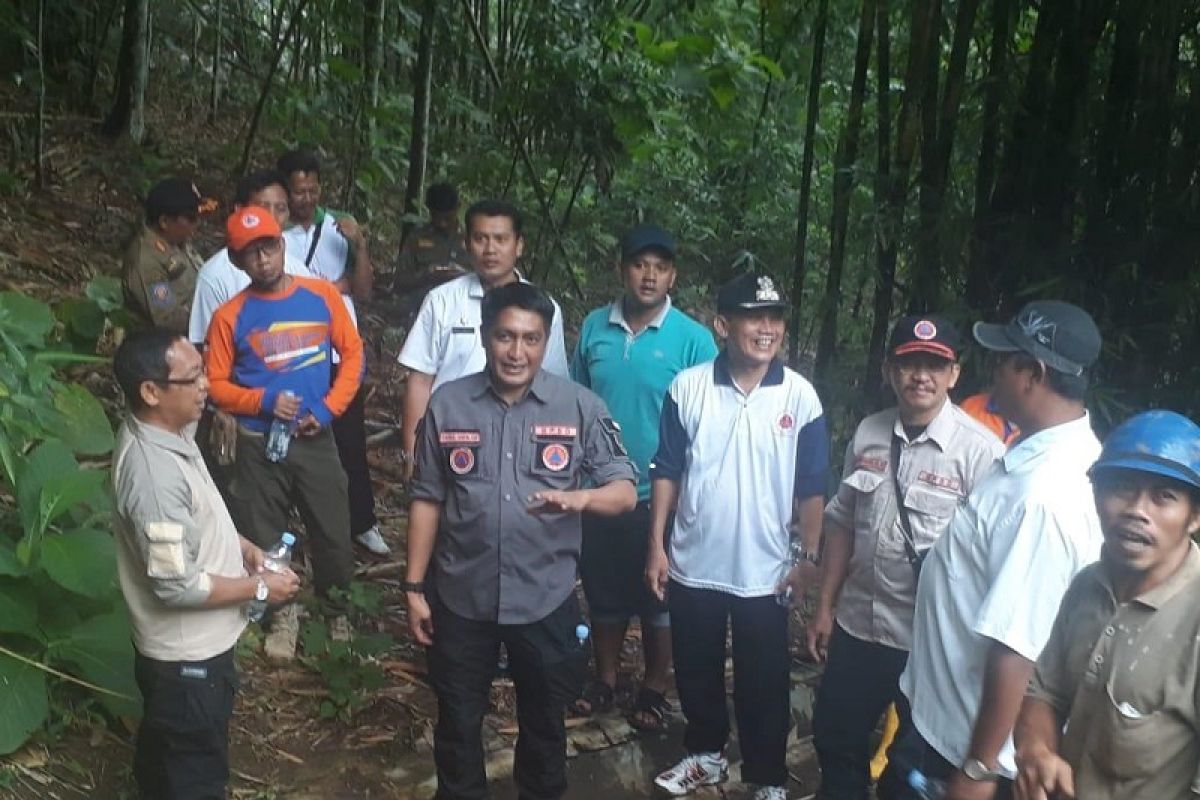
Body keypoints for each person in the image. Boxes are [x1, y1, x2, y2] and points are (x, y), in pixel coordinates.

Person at [404, 282, 637, 800]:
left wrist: (581, 500)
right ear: (486, 337)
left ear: (546, 340)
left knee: (545, 726)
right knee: (458, 726)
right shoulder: (449, 404)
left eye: (531, 339)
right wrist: (414, 586)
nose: (517, 351)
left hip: (545, 598)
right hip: (462, 596)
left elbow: (624, 491)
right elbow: (427, 497)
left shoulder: (579, 406)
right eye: (505, 336)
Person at [896, 300, 1104, 800]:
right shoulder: (1033, 457)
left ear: (1032, 373)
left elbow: (1020, 645)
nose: (992, 371)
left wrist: (979, 767)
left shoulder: (1046, 496)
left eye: (1004, 359)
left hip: (969, 749)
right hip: (945, 718)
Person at [646, 271, 829, 800]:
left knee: (764, 682)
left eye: (775, 318)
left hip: (766, 569)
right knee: (697, 669)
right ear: (724, 325)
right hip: (693, 561)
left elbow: (812, 485)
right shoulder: (689, 387)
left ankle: (768, 779)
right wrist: (656, 543)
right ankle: (705, 755)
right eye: (754, 317)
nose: (766, 329)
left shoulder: (801, 397)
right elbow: (667, 470)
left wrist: (809, 555)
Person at [811, 315, 1005, 799]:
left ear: (954, 374)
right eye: (910, 363)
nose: (922, 376)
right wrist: (824, 607)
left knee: (913, 769)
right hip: (859, 627)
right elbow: (841, 522)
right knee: (837, 741)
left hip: (930, 643)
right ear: (890, 371)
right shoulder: (869, 433)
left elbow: (994, 559)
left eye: (934, 366)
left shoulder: (981, 453)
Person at [111, 329, 299, 799]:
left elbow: (193, 520)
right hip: (185, 663)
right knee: (192, 774)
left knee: (164, 759)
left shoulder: (170, 431)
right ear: (151, 392)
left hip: (188, 657)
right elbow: (176, 586)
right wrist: (259, 589)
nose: (206, 387)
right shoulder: (153, 476)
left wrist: (242, 547)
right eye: (192, 378)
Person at [569, 223, 718, 729]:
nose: (648, 276)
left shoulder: (694, 341)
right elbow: (576, 403)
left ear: (673, 274)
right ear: (622, 270)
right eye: (639, 264)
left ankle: (653, 687)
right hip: (601, 487)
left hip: (664, 494)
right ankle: (606, 679)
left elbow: (710, 421)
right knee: (604, 591)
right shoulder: (593, 328)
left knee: (659, 599)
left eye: (659, 267)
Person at [1015, 410, 1200, 800]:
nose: (1137, 509)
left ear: (1194, 516)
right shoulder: (1088, 586)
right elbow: (1045, 692)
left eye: (1163, 497)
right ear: (1097, 497)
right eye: (1122, 488)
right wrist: (1036, 751)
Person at [204, 207, 363, 612]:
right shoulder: (229, 316)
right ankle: (280, 613)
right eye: (251, 252)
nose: (263, 259)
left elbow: (353, 355)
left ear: (282, 244)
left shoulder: (322, 295)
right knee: (265, 532)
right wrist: (264, 401)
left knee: (332, 528)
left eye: (269, 247)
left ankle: (335, 609)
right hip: (257, 441)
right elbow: (216, 386)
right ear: (236, 260)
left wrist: (328, 410)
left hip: (314, 435)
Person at [397, 199, 570, 482]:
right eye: (481, 239)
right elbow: (420, 380)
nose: (490, 249)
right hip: (448, 443)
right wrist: (412, 454)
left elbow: (553, 384)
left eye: (501, 239)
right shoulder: (442, 300)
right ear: (466, 243)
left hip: (518, 449)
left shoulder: (543, 307)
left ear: (519, 245)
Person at [276, 149, 387, 556]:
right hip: (294, 351)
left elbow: (363, 291)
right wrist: (326, 288)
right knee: (287, 439)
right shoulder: (276, 235)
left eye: (311, 189)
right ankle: (286, 528)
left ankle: (363, 522)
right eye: (297, 191)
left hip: (341, 352)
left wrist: (359, 244)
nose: (305, 199)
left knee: (350, 442)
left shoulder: (340, 228)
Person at [187, 169, 314, 348]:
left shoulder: (298, 270)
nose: (272, 216)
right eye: (262, 208)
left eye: (281, 209)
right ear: (240, 210)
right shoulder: (215, 276)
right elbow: (204, 344)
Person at [122, 177, 208, 334]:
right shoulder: (146, 262)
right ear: (164, 222)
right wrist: (213, 318)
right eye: (191, 218)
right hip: (165, 348)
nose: (196, 224)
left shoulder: (176, 241)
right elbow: (169, 320)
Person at [394, 181, 467, 293]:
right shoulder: (417, 237)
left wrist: (463, 275)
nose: (442, 224)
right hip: (423, 301)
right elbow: (400, 281)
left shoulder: (473, 238)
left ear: (458, 208)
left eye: (447, 218)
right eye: (436, 218)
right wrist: (426, 276)